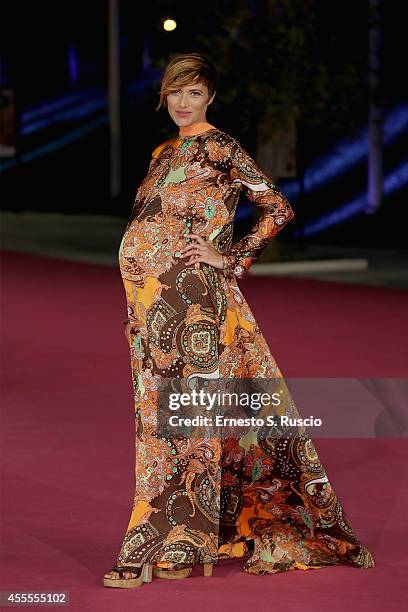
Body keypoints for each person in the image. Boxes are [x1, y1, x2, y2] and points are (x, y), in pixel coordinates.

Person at [103, 52, 374, 588]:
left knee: (190, 424)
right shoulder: (162, 153)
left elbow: (277, 207)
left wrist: (231, 257)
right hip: (150, 316)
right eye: (175, 92)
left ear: (211, 97)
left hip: (197, 307)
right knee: (161, 426)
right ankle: (182, 543)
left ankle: (169, 541)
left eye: (194, 93)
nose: (183, 103)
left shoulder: (222, 148)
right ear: (164, 95)